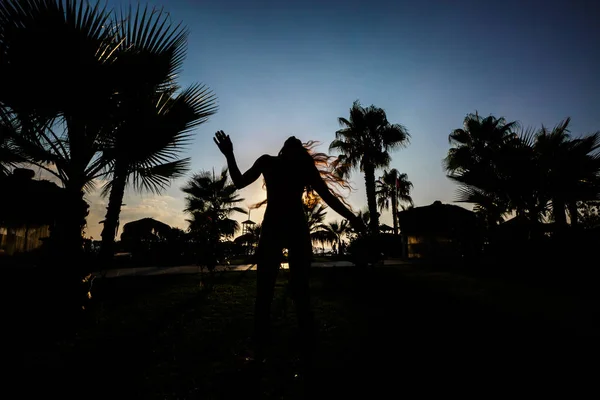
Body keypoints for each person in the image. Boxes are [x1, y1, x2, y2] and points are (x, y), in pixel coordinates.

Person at [213, 131, 366, 372]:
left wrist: (352, 218)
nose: (293, 142)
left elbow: (328, 197)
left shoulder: (298, 168)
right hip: (279, 228)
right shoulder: (271, 162)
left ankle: (302, 342)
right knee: (268, 288)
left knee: (297, 288)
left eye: (296, 145)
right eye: (291, 144)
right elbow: (240, 182)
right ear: (284, 151)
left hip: (292, 228)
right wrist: (230, 154)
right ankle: (267, 342)